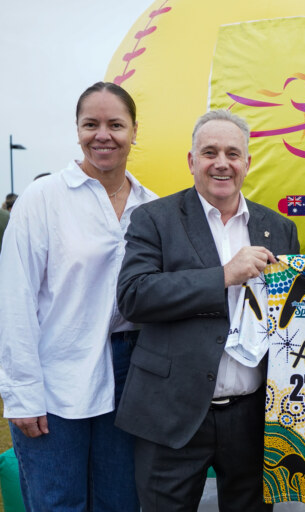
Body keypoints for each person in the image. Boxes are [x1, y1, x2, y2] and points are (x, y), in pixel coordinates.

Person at [115, 109, 300, 512]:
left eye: (232, 154)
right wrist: (223, 275)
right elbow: (134, 295)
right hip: (172, 414)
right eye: (210, 152)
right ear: (191, 160)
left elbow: (292, 314)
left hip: (253, 418)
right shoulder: (154, 218)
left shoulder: (279, 227)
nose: (222, 163)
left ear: (247, 163)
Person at [0, 81, 156, 511]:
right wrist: (22, 393)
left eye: (115, 125)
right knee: (58, 501)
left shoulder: (152, 207)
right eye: (91, 124)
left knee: (120, 501)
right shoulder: (43, 198)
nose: (102, 135)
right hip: (57, 371)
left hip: (132, 372)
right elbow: (15, 299)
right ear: (77, 130)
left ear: (134, 131)